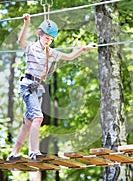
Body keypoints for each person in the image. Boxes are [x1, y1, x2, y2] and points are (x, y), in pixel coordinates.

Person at [8, 13, 96, 160]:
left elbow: (69, 57)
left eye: (51, 39)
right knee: (38, 117)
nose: (48, 41)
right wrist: (26, 23)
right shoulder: (30, 48)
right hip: (28, 85)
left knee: (28, 122)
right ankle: (33, 152)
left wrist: (84, 48)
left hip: (38, 88)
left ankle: (13, 153)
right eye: (46, 38)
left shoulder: (51, 52)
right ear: (40, 35)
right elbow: (20, 40)